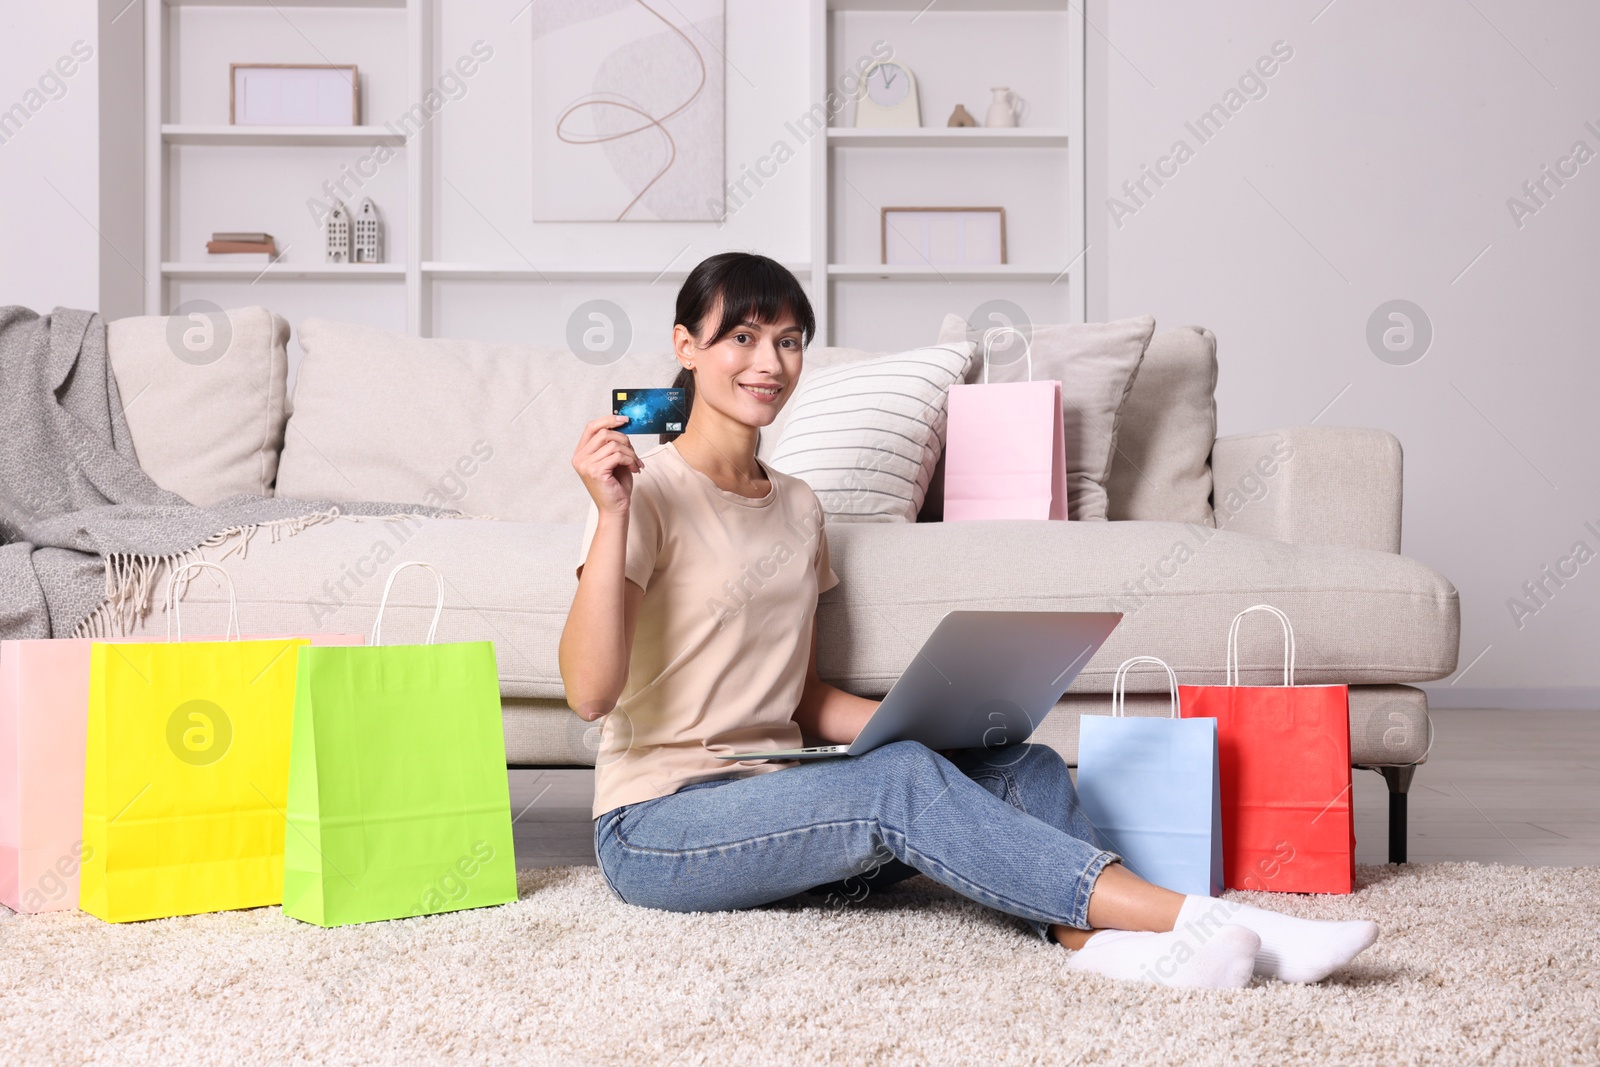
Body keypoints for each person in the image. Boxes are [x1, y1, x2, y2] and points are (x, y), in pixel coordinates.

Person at [559, 251, 1378, 988]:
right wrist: (613, 515)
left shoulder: (799, 507)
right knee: (899, 784)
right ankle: (1215, 922)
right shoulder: (645, 493)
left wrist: (933, 727)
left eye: (789, 340)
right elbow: (591, 694)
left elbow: (802, 700)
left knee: (1021, 764)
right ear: (686, 345)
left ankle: (1097, 947)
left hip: (781, 805)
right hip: (658, 827)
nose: (769, 362)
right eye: (741, 336)